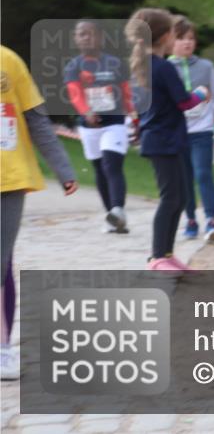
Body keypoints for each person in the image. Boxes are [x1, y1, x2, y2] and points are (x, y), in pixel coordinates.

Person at [1, 45, 78, 380]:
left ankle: (3, 348)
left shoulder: (8, 61)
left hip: (9, 180)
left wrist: (63, 168)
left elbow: (35, 119)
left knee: (0, 261)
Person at [125, 8, 210, 273]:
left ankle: (167, 254)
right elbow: (184, 102)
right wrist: (200, 93)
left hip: (166, 139)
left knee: (180, 197)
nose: (177, 37)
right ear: (164, 36)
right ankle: (156, 257)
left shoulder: (148, 66)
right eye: (174, 32)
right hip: (163, 140)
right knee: (170, 198)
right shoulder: (162, 68)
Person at [63, 20, 132, 233]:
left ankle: (118, 210)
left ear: (100, 37)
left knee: (112, 165)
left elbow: (127, 92)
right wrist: (86, 112)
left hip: (115, 123)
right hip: (88, 127)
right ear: (76, 39)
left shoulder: (115, 63)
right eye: (81, 34)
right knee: (100, 169)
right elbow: (75, 94)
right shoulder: (73, 66)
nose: (86, 37)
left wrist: (134, 116)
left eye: (90, 33)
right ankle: (111, 217)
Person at [170, 16, 214, 242]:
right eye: (181, 38)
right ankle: (191, 220)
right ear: (171, 41)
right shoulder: (166, 68)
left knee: (203, 173)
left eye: (191, 38)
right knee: (184, 178)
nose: (187, 43)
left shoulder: (206, 66)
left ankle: (211, 220)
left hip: (202, 131)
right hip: (178, 132)